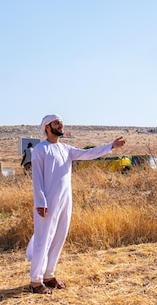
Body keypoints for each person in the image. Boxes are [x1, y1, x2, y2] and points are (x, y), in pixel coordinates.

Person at [26, 114, 126, 294]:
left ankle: (49, 275)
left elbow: (88, 154)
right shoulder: (41, 150)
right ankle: (36, 281)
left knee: (59, 237)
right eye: (57, 123)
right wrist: (40, 201)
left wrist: (110, 146)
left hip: (65, 200)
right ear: (47, 127)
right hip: (46, 203)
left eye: (61, 123)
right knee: (44, 239)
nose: (61, 125)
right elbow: (37, 179)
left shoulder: (66, 149)